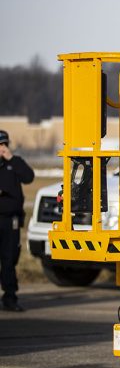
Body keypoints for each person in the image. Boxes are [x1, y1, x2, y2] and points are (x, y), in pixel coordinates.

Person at [0, 130, 35, 312]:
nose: (2, 149)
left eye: (4, 145)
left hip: (10, 220)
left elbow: (29, 177)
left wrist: (11, 158)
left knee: (9, 259)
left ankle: (10, 297)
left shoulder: (14, 163)